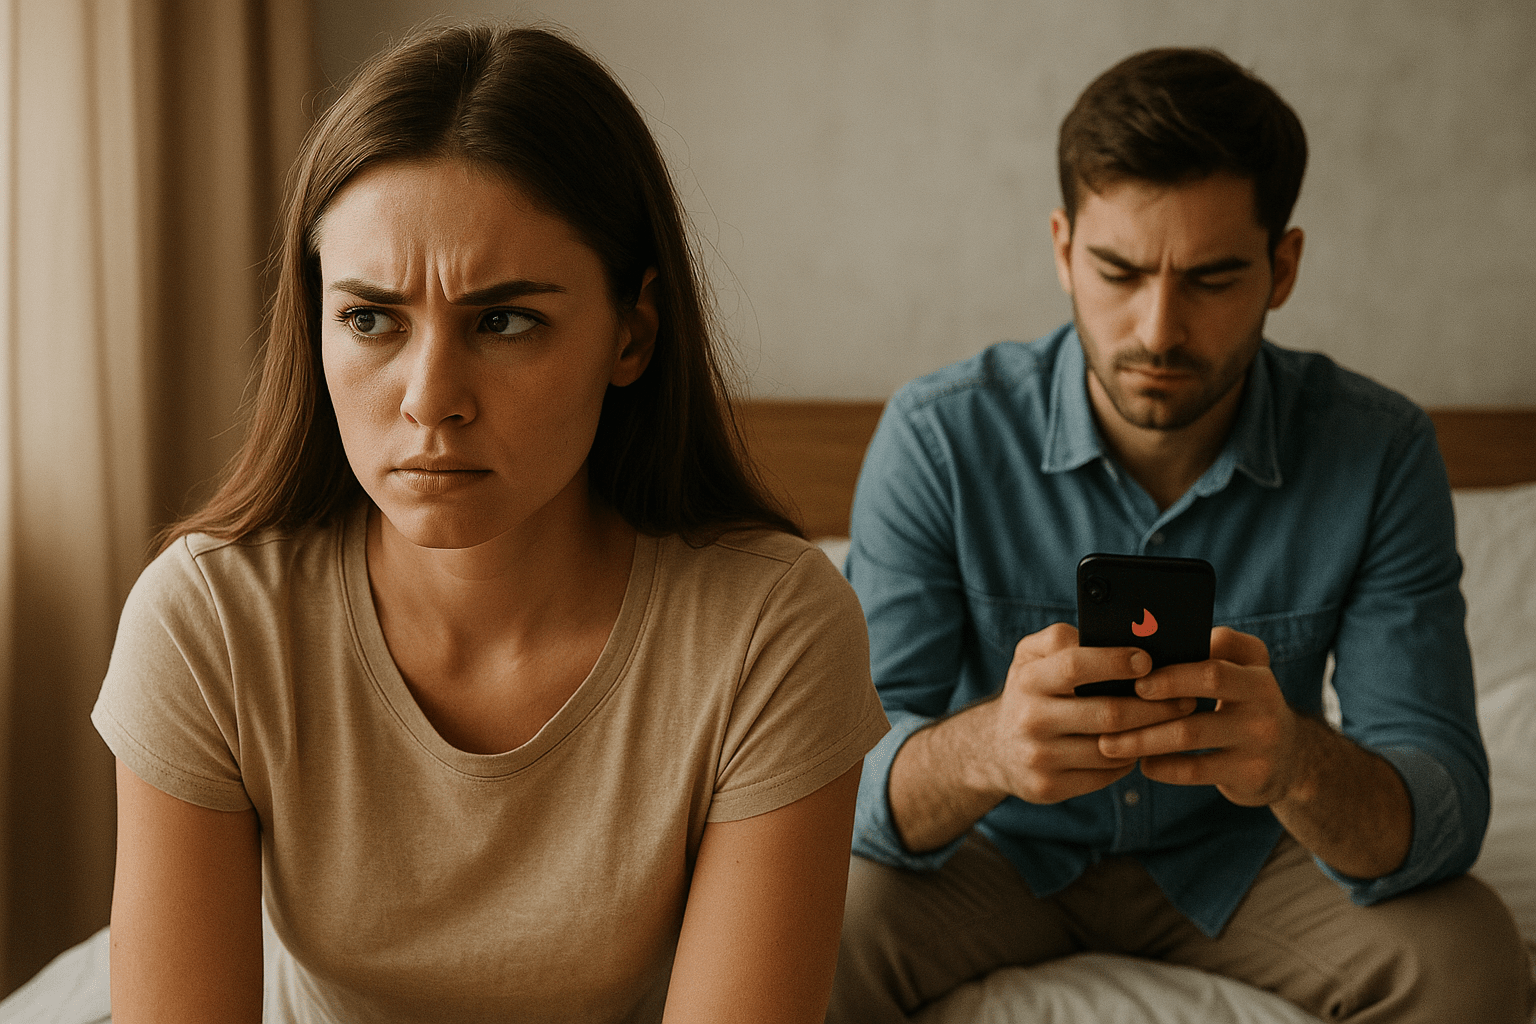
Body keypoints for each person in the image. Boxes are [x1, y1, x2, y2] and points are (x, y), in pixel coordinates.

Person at [93, 24, 888, 1024]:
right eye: (370, 318)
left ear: (632, 334)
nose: (431, 399)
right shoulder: (207, 619)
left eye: (504, 321)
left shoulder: (772, 630)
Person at [829, 47, 1533, 1022]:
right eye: (1118, 271)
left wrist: (1293, 762)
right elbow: (838, 769)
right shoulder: (939, 437)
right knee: (784, 931)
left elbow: (1441, 794)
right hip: (996, 852)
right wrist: (988, 748)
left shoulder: (1380, 451)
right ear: (1063, 248)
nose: (1158, 329)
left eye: (1212, 277)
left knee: (1469, 956)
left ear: (1283, 268)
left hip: (1250, 856)